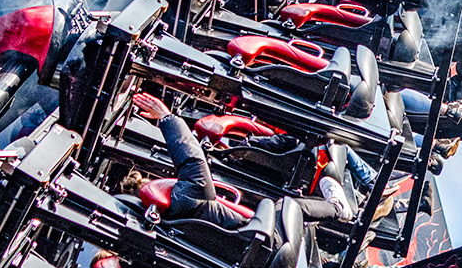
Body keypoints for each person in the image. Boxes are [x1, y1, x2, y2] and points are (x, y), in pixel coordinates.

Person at [130, 92, 353, 225]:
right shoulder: (188, 197)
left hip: (255, 238)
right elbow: (192, 160)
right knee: (286, 207)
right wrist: (167, 118)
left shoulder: (168, 221)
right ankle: (336, 208)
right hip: (262, 234)